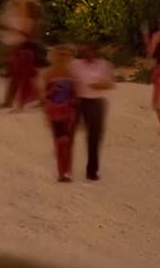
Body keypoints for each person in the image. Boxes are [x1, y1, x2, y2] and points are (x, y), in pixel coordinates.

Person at [71, 42, 116, 181]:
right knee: (69, 134)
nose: (87, 53)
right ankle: (65, 169)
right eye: (85, 50)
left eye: (90, 50)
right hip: (77, 101)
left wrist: (100, 85)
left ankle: (92, 170)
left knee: (94, 137)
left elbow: (110, 83)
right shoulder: (75, 64)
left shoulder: (104, 65)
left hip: (96, 101)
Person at [0, 0, 40, 110]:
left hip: (20, 41)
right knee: (22, 72)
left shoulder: (28, 4)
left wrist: (27, 35)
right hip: (12, 40)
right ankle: (33, 98)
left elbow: (31, 22)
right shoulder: (12, 4)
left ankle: (11, 100)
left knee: (20, 72)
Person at [41, 45, 80, 182]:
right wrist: (51, 93)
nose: (62, 57)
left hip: (69, 112)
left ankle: (67, 171)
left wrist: (75, 109)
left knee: (68, 143)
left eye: (65, 54)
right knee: (60, 142)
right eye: (59, 54)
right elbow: (43, 95)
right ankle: (61, 172)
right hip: (55, 112)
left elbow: (76, 94)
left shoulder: (73, 74)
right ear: (53, 56)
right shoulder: (48, 73)